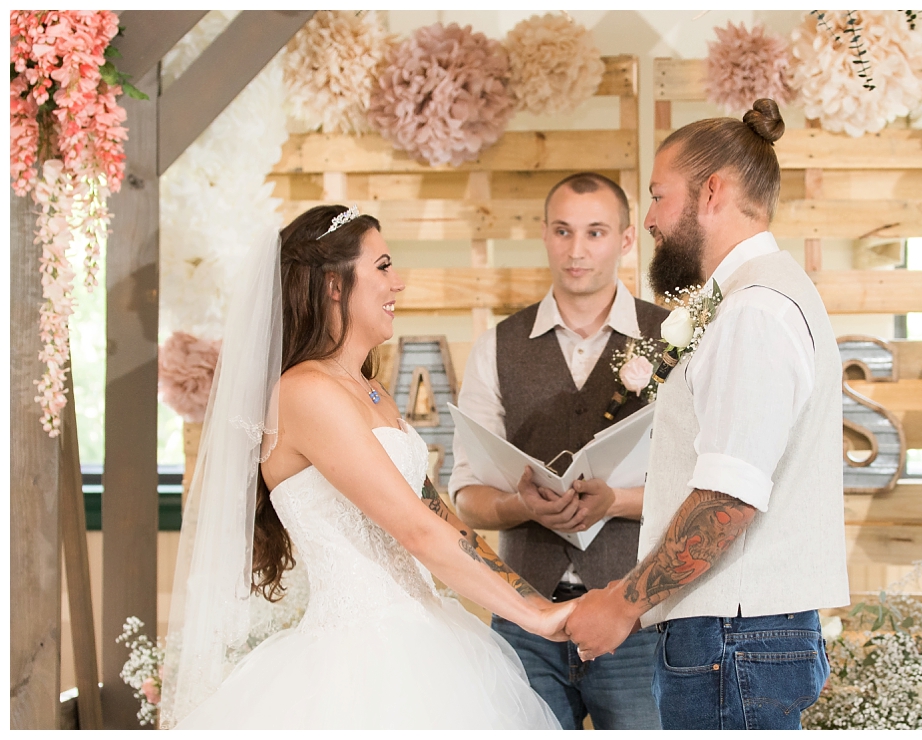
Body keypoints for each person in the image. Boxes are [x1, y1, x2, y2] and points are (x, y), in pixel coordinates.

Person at [160, 205, 569, 729]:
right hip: (359, 667)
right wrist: (537, 618)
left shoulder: (372, 392)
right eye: (382, 266)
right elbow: (418, 532)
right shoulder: (305, 392)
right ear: (334, 284)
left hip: (430, 643)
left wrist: (533, 602)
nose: (398, 282)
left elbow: (444, 520)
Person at [564, 100, 851, 730]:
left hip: (731, 640)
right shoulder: (762, 297)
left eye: (659, 195)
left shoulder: (754, 311)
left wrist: (623, 603)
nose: (650, 218)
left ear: (712, 191)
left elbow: (727, 501)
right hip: (736, 638)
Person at [449, 173, 668, 729]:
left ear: (624, 241)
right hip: (526, 619)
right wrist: (522, 507)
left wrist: (614, 501)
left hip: (639, 617)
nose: (576, 250)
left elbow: (703, 487)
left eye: (595, 233)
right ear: (544, 235)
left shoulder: (673, 338)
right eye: (563, 231)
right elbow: (468, 497)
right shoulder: (497, 346)